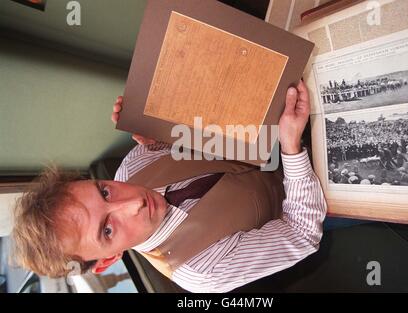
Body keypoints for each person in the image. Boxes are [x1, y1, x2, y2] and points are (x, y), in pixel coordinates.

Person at [12, 81, 327, 293]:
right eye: (107, 230)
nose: (132, 202)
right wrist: (290, 148)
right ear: (107, 260)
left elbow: (200, 141)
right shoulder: (202, 271)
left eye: (104, 192)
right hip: (328, 199)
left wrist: (156, 126)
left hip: (292, 130)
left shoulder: (130, 168)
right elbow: (302, 233)